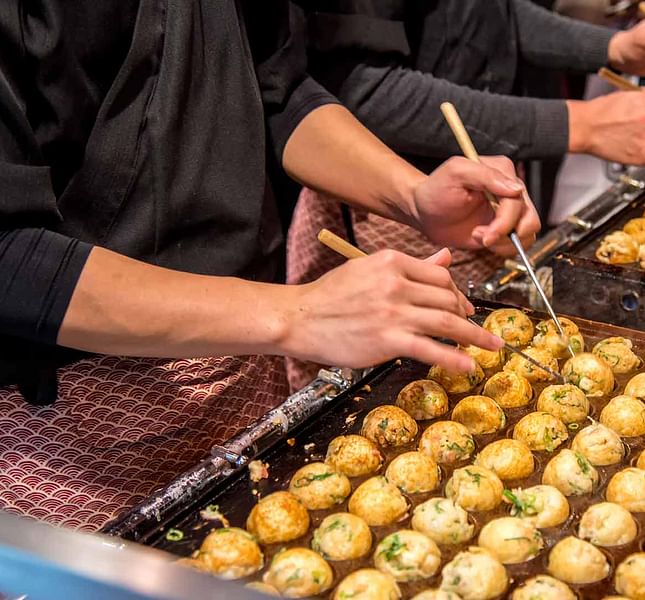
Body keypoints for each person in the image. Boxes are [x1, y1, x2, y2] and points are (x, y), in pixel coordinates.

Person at [0, 1, 538, 530]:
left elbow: (274, 85)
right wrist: (299, 314)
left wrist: (413, 195)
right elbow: (9, 255)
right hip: (73, 417)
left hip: (247, 356)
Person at [285, 0, 645, 387]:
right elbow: (358, 85)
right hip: (380, 200)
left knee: (491, 354)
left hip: (473, 185)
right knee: (416, 381)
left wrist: (611, 48)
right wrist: (578, 124)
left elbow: (485, 15)